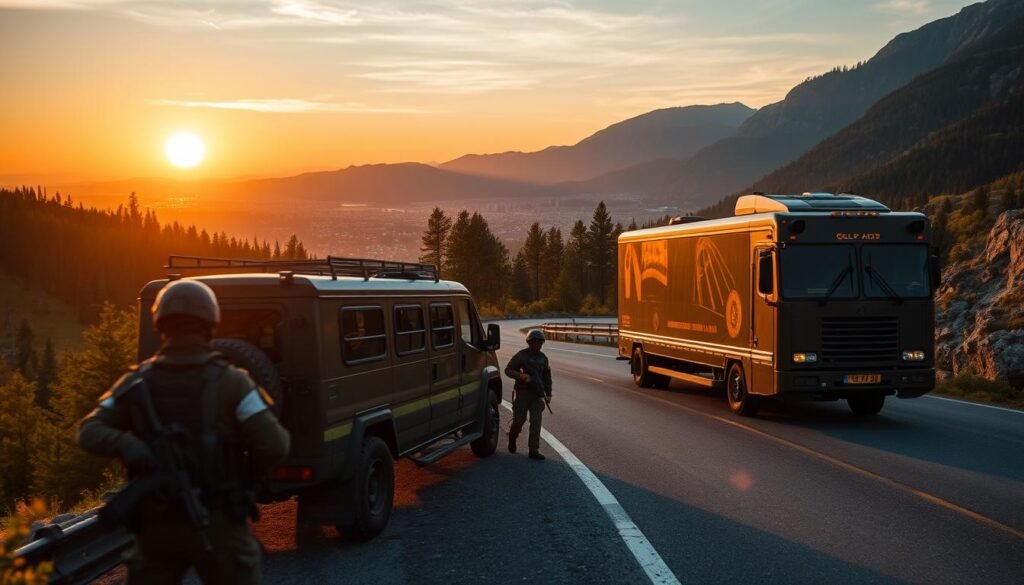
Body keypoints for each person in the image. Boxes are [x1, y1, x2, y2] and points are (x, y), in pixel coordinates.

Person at [78, 280, 290, 584]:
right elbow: (275, 445)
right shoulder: (233, 382)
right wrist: (247, 479)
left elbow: (89, 430)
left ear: (160, 324)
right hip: (218, 521)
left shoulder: (136, 381)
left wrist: (128, 446)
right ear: (209, 324)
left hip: (154, 526)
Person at [504, 329, 553, 461]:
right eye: (535, 342)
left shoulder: (543, 358)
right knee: (519, 421)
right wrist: (521, 376)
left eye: (540, 342)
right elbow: (508, 370)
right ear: (529, 342)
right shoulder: (521, 356)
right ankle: (512, 437)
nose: (537, 345)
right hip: (522, 393)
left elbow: (547, 377)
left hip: (537, 395)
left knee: (536, 421)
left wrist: (548, 393)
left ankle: (533, 449)